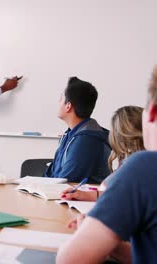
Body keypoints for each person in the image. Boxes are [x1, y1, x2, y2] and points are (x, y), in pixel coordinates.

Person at [57, 67, 157, 263]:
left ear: (151, 112)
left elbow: (71, 259)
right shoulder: (70, 135)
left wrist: (93, 235)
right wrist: (115, 246)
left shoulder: (145, 167)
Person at [61, 106, 145, 201]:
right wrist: (84, 195)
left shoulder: (139, 164)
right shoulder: (129, 159)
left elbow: (121, 196)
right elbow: (115, 192)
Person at [44, 77, 111, 184]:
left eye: (61, 99)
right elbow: (52, 172)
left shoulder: (86, 140)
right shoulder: (70, 134)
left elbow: (65, 181)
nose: (58, 102)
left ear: (68, 106)